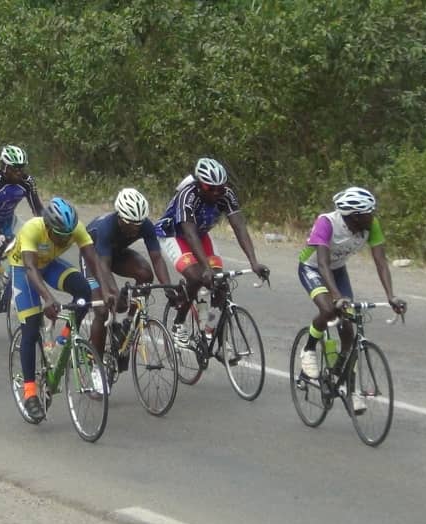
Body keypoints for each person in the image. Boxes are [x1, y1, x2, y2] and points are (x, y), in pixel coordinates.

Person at [296, 186, 406, 411]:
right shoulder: (326, 223)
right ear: (355, 216)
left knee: (348, 328)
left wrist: (391, 296)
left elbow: (381, 262)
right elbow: (323, 264)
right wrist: (336, 297)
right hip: (313, 268)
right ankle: (308, 350)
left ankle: (347, 383)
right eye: (370, 212)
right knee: (328, 310)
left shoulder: (371, 225)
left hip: (337, 270)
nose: (374, 216)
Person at [11, 197, 114, 422]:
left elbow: (93, 261)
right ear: (48, 226)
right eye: (60, 235)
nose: (65, 239)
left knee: (84, 293)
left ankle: (62, 341)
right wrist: (48, 299)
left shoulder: (74, 228)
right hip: (24, 269)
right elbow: (30, 267)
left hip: (48, 265)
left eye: (69, 235)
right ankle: (29, 392)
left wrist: (105, 291)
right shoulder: (32, 229)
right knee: (30, 326)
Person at [154, 157, 269, 347]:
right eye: (210, 188)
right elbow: (189, 234)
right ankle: (178, 323)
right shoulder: (187, 195)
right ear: (199, 184)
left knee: (220, 283)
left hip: (200, 234)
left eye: (220, 188)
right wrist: (205, 268)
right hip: (175, 234)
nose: (216, 193)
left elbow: (239, 227)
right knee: (197, 276)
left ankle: (209, 330)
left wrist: (253, 262)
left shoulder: (226, 195)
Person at [85, 188, 175, 359]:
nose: (135, 228)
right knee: (103, 309)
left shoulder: (145, 225)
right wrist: (114, 292)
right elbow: (103, 266)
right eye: (130, 224)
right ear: (120, 217)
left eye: (138, 224)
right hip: (93, 259)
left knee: (145, 273)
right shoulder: (105, 228)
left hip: (114, 253)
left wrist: (168, 287)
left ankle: (129, 323)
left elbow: (156, 258)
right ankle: (94, 361)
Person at [0, 145, 44, 333]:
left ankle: (8, 278)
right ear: (4, 166)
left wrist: (45, 230)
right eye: (14, 168)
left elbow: (38, 210)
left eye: (22, 168)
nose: (19, 173)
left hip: (10, 221)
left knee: (25, 253)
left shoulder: (27, 182)